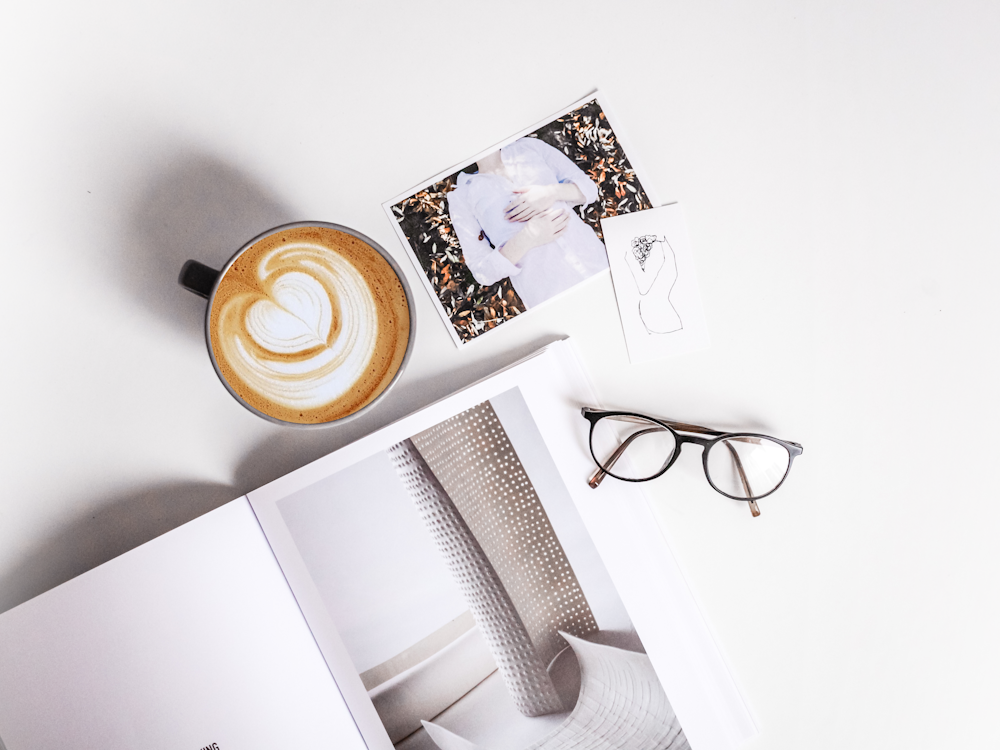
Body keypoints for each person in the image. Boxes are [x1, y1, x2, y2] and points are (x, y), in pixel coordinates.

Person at [447, 137, 608, 309]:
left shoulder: (530, 147)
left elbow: (589, 189)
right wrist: (527, 238)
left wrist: (550, 193)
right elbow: (482, 271)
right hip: (554, 299)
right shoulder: (462, 195)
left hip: (600, 265)